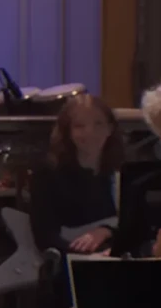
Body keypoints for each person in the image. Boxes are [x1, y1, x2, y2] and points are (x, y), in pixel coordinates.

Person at [29, 94, 124, 259]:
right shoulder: (46, 173)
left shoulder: (121, 171)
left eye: (98, 124)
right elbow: (45, 239)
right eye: (79, 126)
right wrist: (90, 258)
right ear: (68, 131)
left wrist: (106, 231)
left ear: (110, 128)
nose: (90, 132)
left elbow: (135, 227)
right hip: (70, 262)